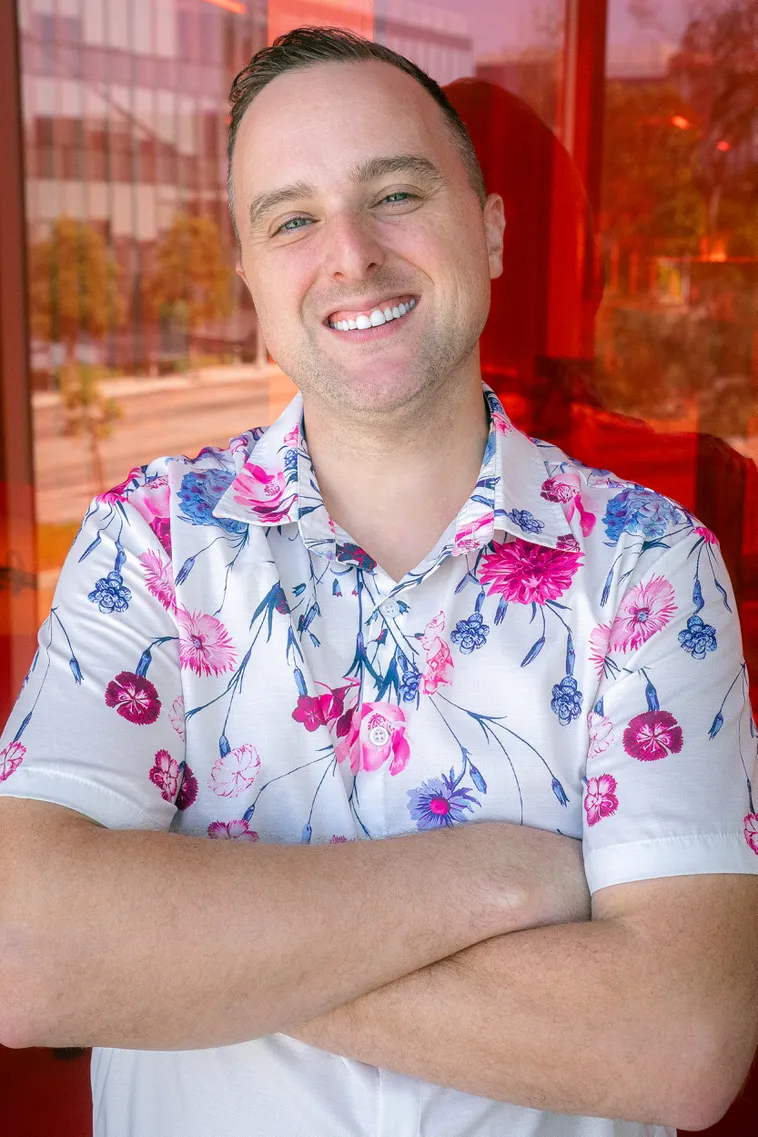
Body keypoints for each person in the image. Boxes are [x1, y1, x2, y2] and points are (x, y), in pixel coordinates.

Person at [0, 25, 757, 1137]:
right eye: (292, 219)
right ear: (252, 278)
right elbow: (27, 954)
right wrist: (502, 881)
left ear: (491, 232)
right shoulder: (148, 543)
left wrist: (179, 950)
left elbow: (677, 1044)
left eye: (395, 193)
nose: (348, 253)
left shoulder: (651, 565)